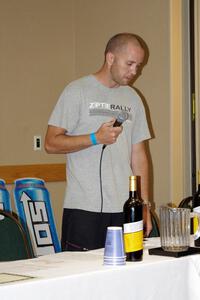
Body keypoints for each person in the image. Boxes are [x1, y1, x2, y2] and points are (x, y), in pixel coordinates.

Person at [45, 32, 152, 251]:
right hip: (83, 209)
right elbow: (51, 143)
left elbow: (139, 156)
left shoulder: (133, 98)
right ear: (110, 58)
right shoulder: (77, 91)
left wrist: (144, 205)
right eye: (129, 64)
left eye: (138, 66)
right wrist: (95, 138)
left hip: (124, 208)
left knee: (125, 278)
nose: (134, 72)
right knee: (81, 281)